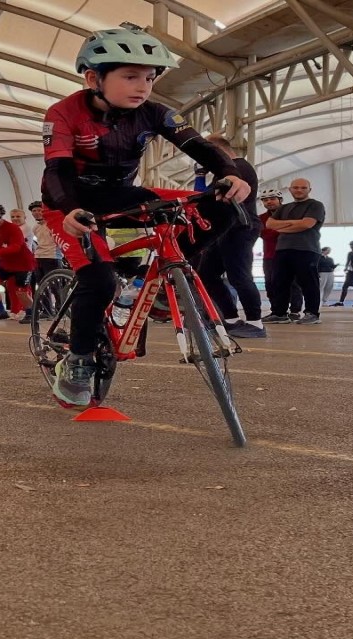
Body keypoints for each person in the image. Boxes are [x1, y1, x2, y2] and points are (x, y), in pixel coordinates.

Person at [40, 26, 251, 406]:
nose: (143, 86)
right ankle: (77, 360)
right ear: (93, 78)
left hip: (124, 195)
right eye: (131, 76)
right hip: (70, 204)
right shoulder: (63, 113)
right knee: (100, 281)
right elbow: (57, 171)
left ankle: (166, 282)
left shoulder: (154, 112)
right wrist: (71, 209)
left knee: (219, 206)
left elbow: (199, 146)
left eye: (150, 78)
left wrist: (229, 173)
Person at [196, 134, 266, 338]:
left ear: (217, 151)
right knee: (207, 273)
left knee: (239, 275)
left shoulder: (238, 169)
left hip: (240, 228)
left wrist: (200, 179)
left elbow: (205, 198)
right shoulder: (225, 172)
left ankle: (255, 322)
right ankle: (231, 318)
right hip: (224, 230)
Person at [263, 178, 325, 325]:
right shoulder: (284, 208)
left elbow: (307, 224)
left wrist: (282, 227)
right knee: (279, 282)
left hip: (307, 249)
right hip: (282, 249)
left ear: (309, 190)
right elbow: (270, 224)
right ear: (290, 190)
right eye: (295, 187)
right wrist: (294, 223)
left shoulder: (315, 205)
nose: (299, 190)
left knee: (308, 283)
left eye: (303, 188)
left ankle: (312, 313)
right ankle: (279, 314)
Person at [0, 204, 34, 322]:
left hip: (22, 264)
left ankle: (31, 313)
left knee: (21, 292)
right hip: (6, 263)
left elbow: (16, 247)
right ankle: (0, 311)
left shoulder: (13, 228)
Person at [258, 190, 303, 322]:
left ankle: (295, 311)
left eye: (272, 198)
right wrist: (284, 228)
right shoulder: (261, 218)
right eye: (265, 200)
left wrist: (276, 229)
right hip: (270, 256)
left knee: (293, 284)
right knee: (271, 284)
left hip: (291, 253)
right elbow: (263, 234)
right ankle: (277, 312)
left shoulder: (291, 214)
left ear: (280, 200)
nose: (269, 202)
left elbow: (296, 230)